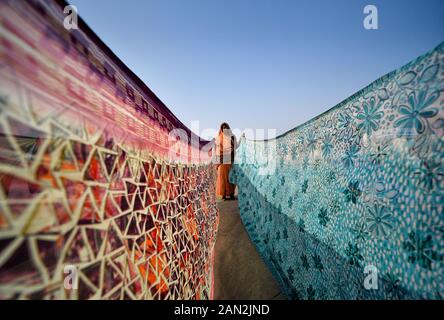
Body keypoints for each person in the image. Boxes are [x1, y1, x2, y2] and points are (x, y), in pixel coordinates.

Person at [214, 122, 237, 200]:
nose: (224, 129)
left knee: (231, 177)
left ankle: (231, 194)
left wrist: (242, 139)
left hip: (230, 160)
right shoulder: (218, 138)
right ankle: (223, 195)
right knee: (222, 178)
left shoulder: (232, 137)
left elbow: (236, 146)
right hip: (221, 161)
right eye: (223, 128)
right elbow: (216, 150)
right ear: (221, 129)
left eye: (226, 128)